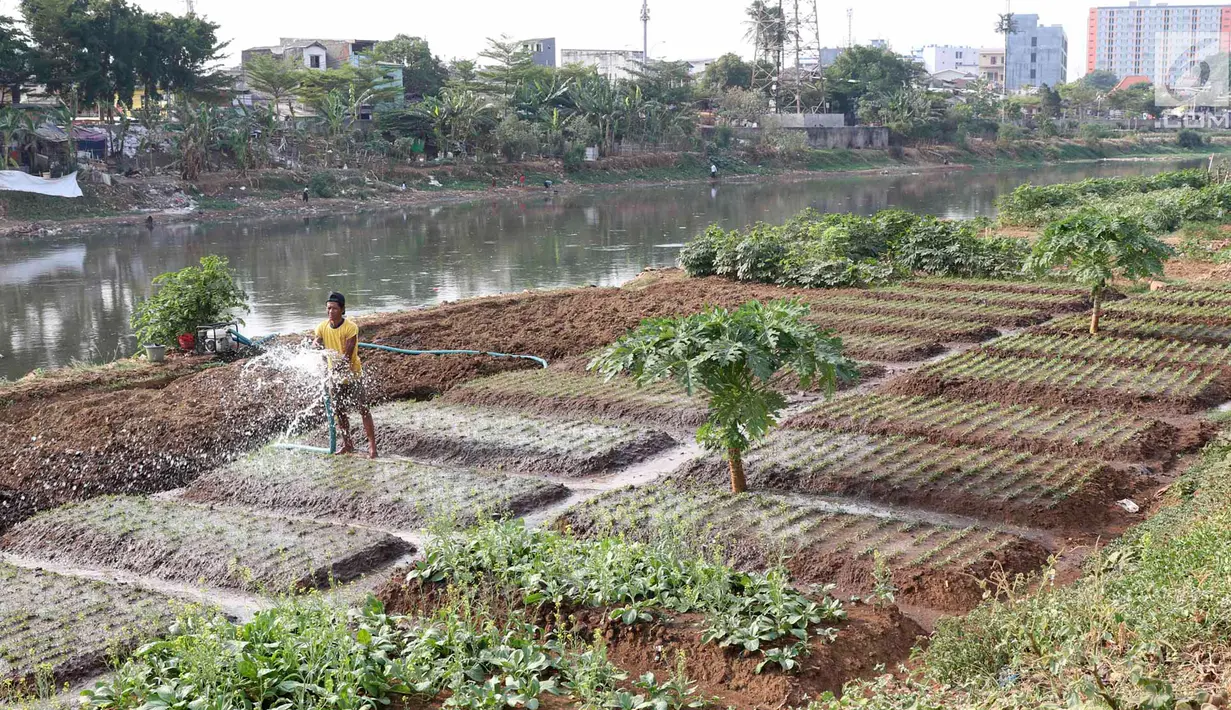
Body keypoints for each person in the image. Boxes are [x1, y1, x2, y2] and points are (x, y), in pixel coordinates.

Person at [314, 292, 377, 459]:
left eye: (334, 308)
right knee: (339, 411)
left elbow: (347, 356)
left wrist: (334, 369)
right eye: (328, 308)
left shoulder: (351, 328)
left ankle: (372, 447)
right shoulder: (322, 327)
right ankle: (347, 444)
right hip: (334, 378)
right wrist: (315, 347)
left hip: (353, 374)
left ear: (342, 309)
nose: (330, 312)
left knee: (363, 409)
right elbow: (317, 343)